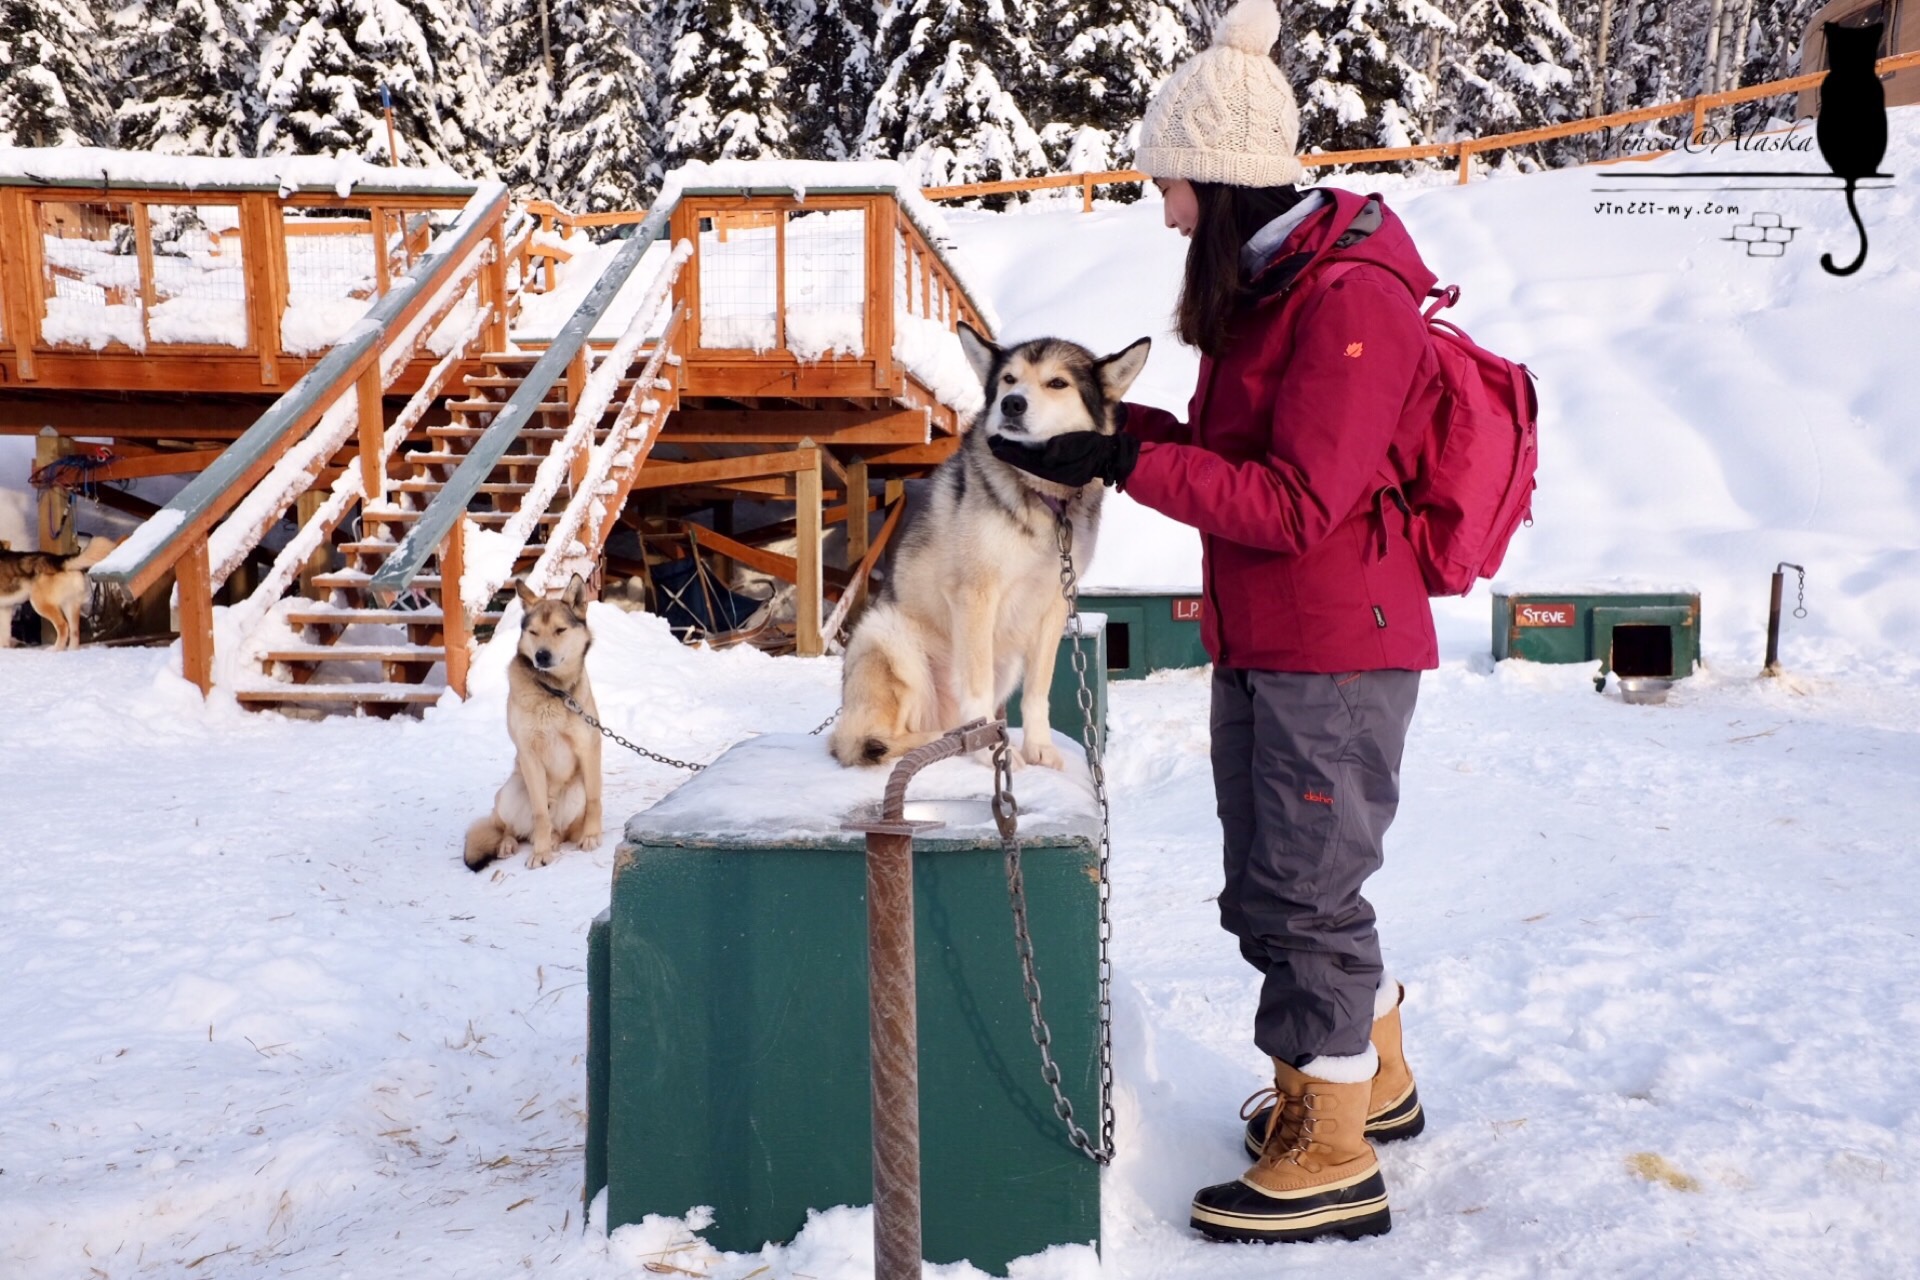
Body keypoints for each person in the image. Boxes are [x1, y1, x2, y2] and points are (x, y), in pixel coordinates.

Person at [988, 0, 1440, 1247]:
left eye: (1174, 185)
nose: (1168, 210)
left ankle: (1333, 1145)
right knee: (1274, 890)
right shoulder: (1275, 284)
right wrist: (1111, 429)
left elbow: (1296, 503)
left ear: (1227, 180)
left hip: (1333, 645)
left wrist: (1123, 467)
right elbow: (1234, 455)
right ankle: (1365, 1072)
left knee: (1305, 898)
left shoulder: (1350, 301)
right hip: (1272, 637)